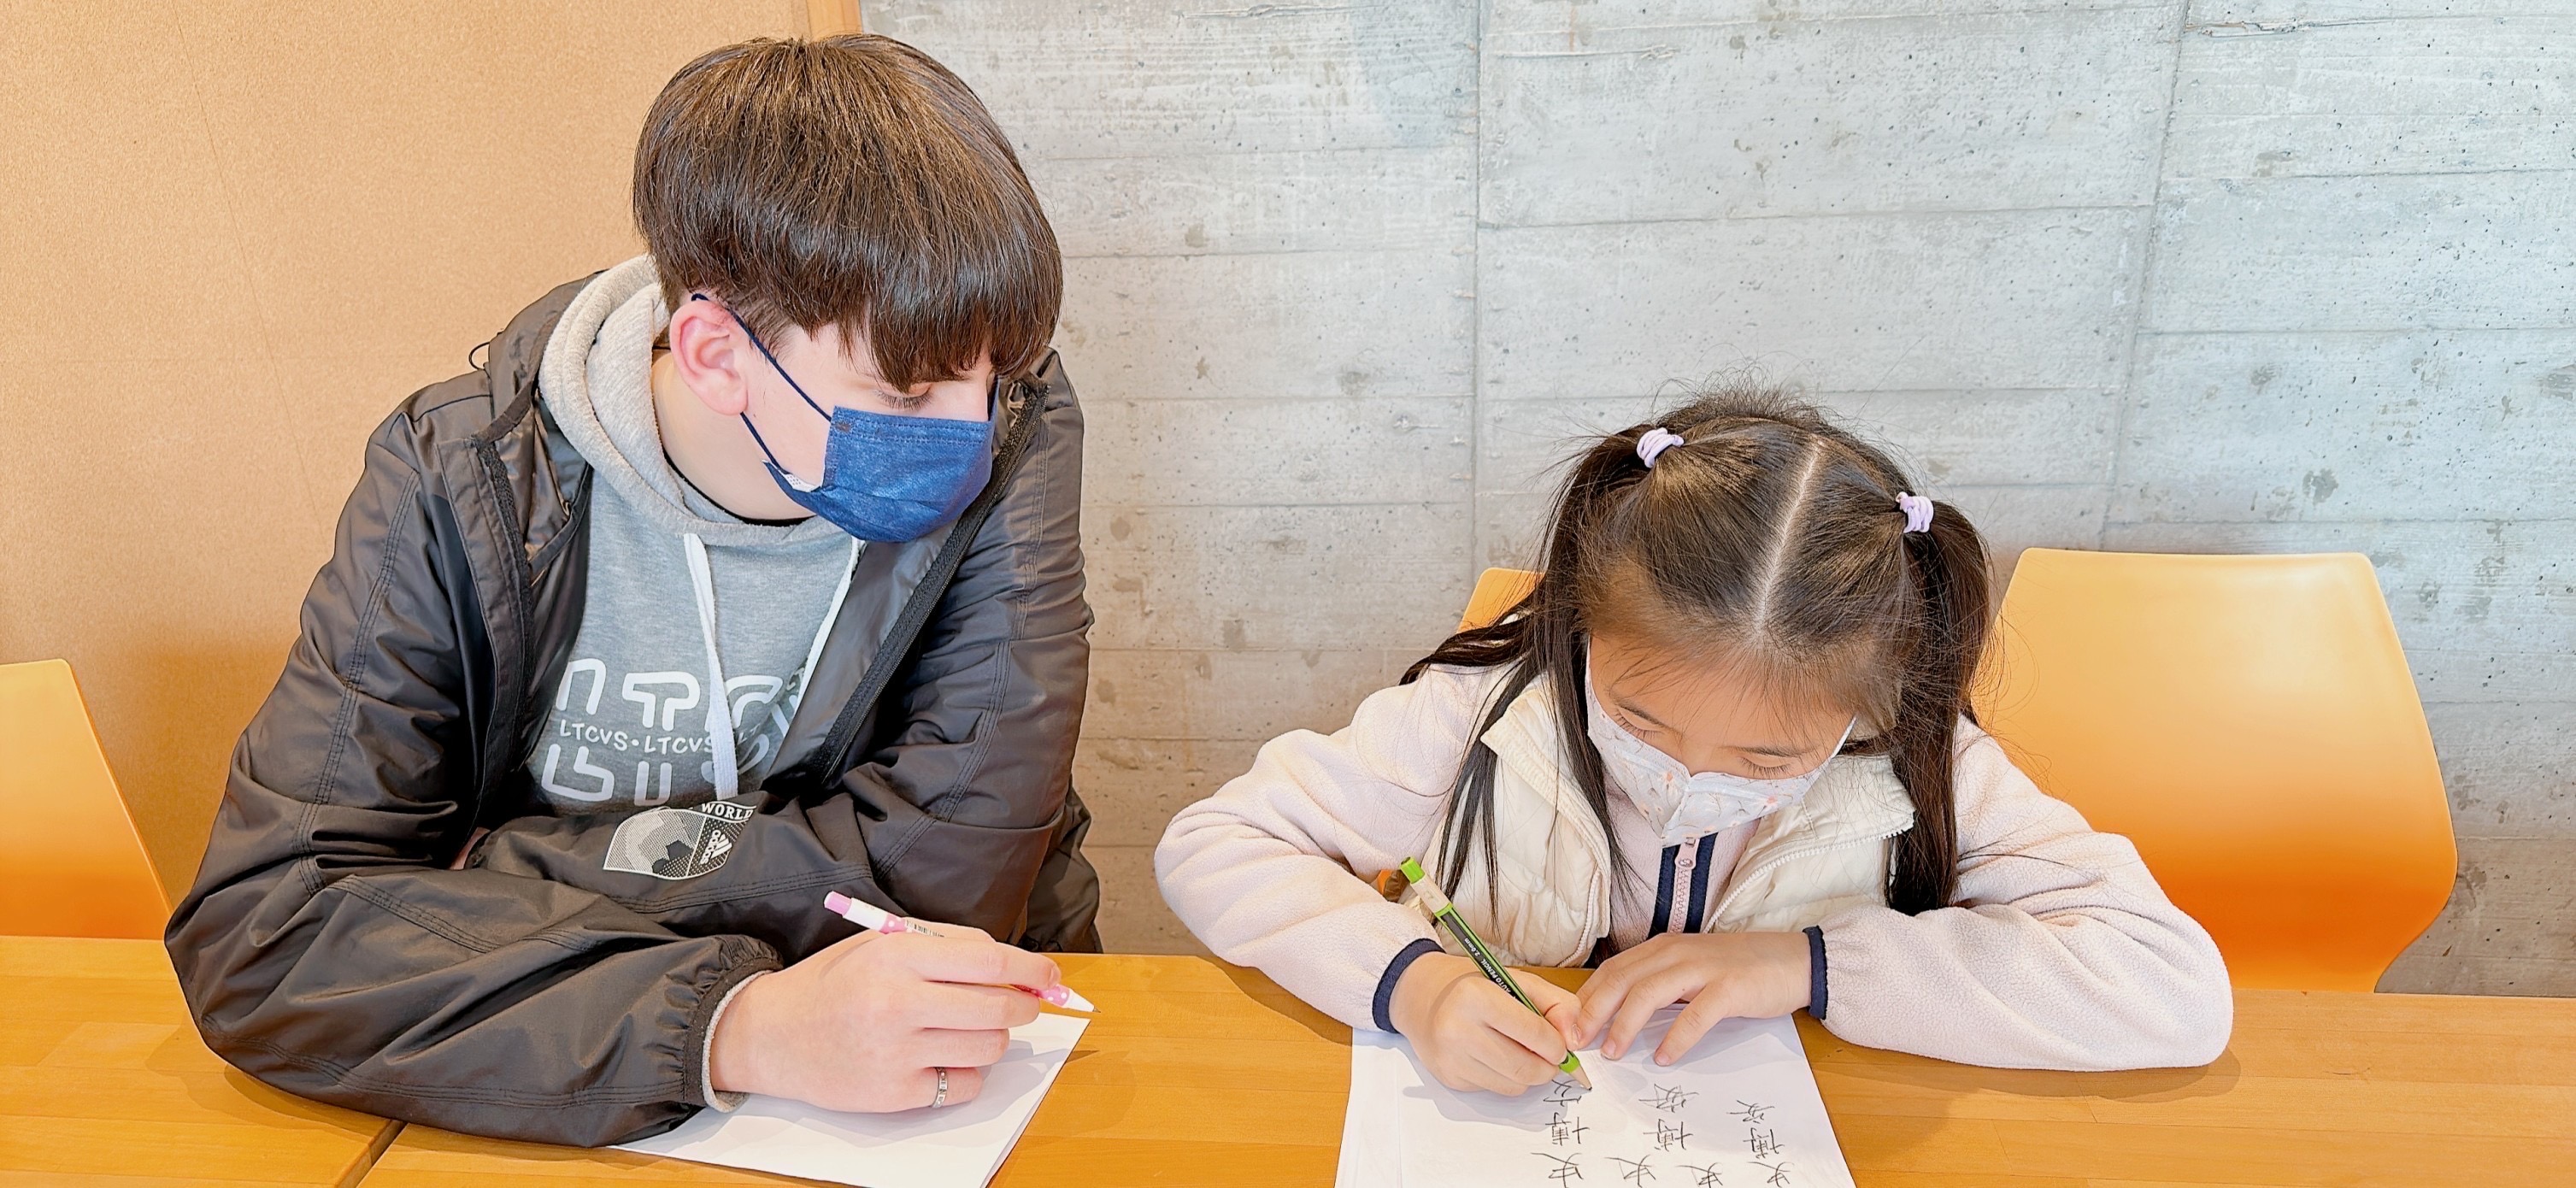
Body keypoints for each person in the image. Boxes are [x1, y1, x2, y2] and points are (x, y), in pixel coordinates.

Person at [166, 35, 1099, 1145]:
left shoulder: (1009, 423)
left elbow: (949, 873)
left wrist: (501, 866)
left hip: (940, 1059)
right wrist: (732, 1020)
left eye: (985, 382)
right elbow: (266, 927)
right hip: (586, 1085)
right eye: (901, 391)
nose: (965, 434)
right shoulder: (464, 476)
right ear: (713, 352)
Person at [1156, 385, 2233, 1095]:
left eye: (1766, 760)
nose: (1689, 779)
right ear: (1583, 630)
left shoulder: (1913, 761)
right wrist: (1414, 983)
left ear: (1870, 705)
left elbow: (2171, 986)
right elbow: (1215, 844)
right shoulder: (1487, 712)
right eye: (1640, 720)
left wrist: (1806, 964)